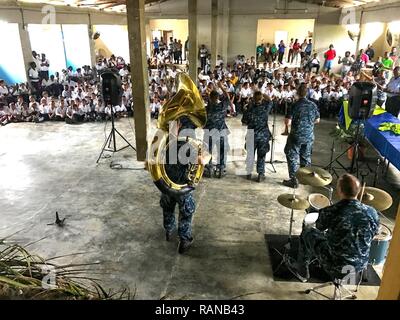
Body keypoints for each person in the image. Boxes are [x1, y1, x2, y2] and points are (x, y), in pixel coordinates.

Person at [289, 174, 379, 282]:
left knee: (308, 232)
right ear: (359, 191)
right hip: (360, 264)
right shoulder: (372, 212)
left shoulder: (331, 211)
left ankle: (302, 272)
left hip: (335, 266)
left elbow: (319, 227)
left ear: (339, 190)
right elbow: (375, 232)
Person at [159, 120, 205, 254]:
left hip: (166, 185)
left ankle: (168, 230)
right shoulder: (188, 146)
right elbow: (200, 162)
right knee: (186, 213)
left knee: (168, 208)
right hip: (182, 188)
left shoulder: (163, 144)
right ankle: (184, 240)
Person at [283, 83, 320, 188]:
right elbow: (317, 120)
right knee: (305, 156)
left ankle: (294, 180)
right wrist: (307, 123)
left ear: (297, 93)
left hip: (296, 136)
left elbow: (288, 122)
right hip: (309, 135)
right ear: (307, 93)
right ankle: (306, 179)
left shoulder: (294, 105)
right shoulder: (313, 105)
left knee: (291, 155)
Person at [244, 91, 273, 182]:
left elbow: (244, 122)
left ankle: (249, 172)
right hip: (263, 135)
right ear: (262, 99)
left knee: (250, 154)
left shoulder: (249, 109)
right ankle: (260, 174)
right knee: (261, 155)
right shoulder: (265, 108)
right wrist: (262, 93)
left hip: (251, 135)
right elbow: (270, 100)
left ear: (253, 99)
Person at [203, 88, 230, 178]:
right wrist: (221, 87)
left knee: (208, 150)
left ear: (210, 98)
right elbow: (228, 97)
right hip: (221, 131)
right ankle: (221, 169)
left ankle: (208, 168)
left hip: (209, 132)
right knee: (222, 150)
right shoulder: (222, 106)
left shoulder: (207, 108)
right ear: (218, 97)